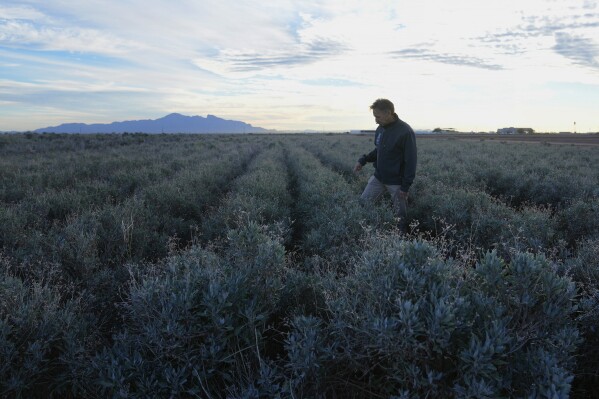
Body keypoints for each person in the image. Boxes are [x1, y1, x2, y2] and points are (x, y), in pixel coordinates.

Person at [353, 98, 417, 232]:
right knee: (363, 204)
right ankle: (367, 231)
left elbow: (411, 161)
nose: (375, 120)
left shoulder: (405, 132)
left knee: (400, 216)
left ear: (389, 113)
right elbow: (379, 150)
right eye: (374, 117)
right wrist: (363, 161)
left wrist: (405, 187)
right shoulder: (380, 129)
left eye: (378, 116)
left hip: (396, 182)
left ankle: (402, 240)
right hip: (379, 177)